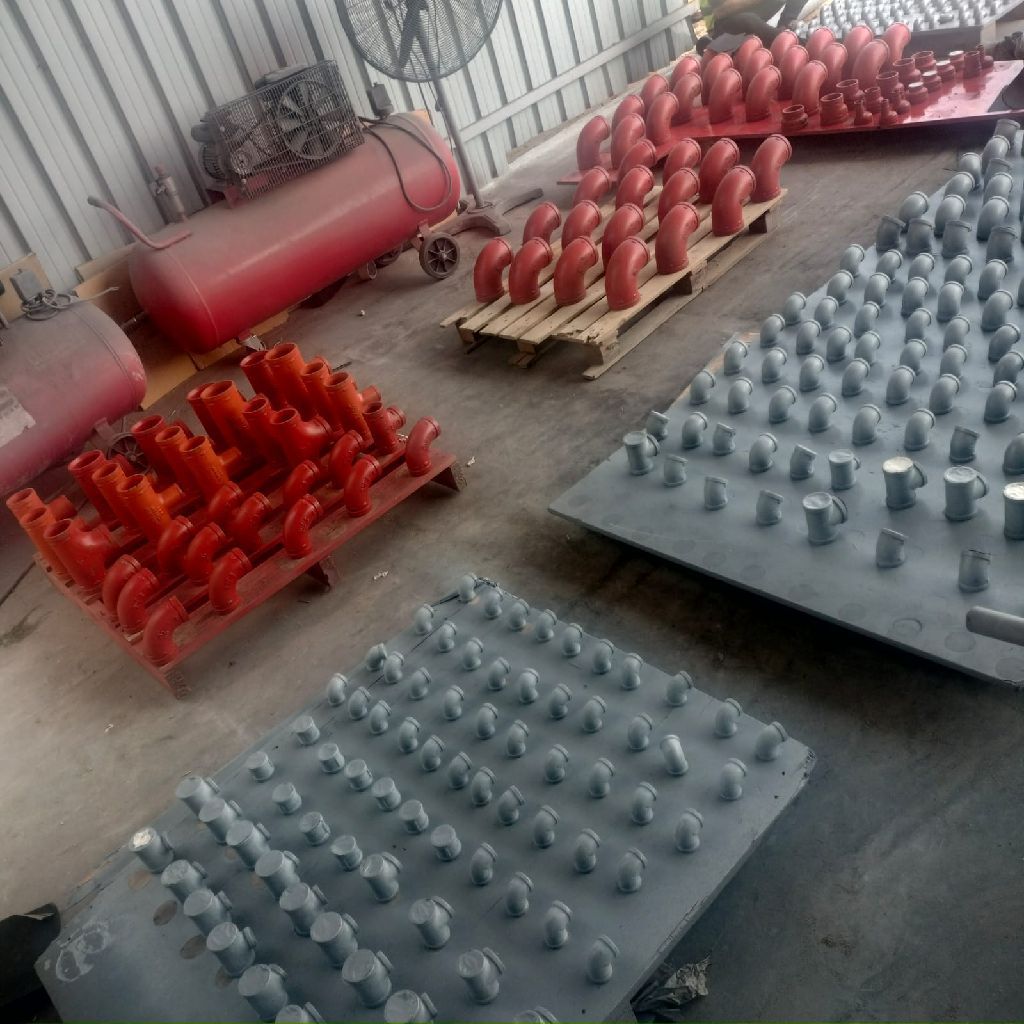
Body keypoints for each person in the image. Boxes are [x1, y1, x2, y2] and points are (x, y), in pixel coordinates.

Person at [696, 0, 806, 50]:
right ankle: (790, 41)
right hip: (722, 26)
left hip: (747, 12)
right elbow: (721, 11)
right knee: (748, 19)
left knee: (750, 18)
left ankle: (786, 25)